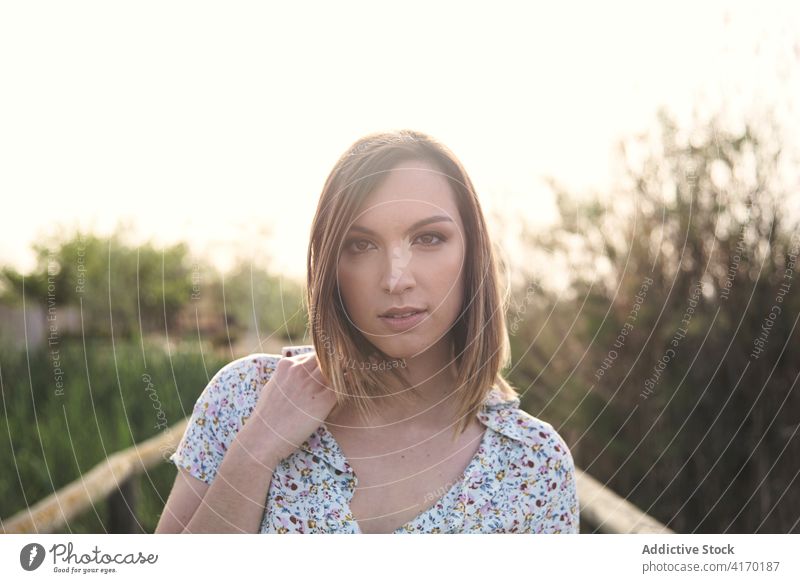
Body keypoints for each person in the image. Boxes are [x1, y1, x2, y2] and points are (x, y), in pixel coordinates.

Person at [155, 129, 579, 534]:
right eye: (360, 245)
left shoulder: (534, 464)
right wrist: (256, 450)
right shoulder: (246, 397)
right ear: (330, 268)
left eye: (429, 238)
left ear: (473, 254)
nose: (396, 279)